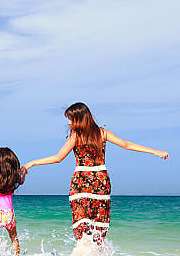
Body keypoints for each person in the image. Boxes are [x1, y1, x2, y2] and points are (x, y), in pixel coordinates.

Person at [22, 102, 168, 244]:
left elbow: (58, 158)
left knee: (82, 223)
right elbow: (127, 145)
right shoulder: (102, 133)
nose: (69, 123)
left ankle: (83, 254)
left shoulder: (76, 137)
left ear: (79, 119)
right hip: (100, 181)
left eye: (71, 119)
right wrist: (155, 151)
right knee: (98, 223)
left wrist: (32, 163)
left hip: (80, 182)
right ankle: (95, 255)